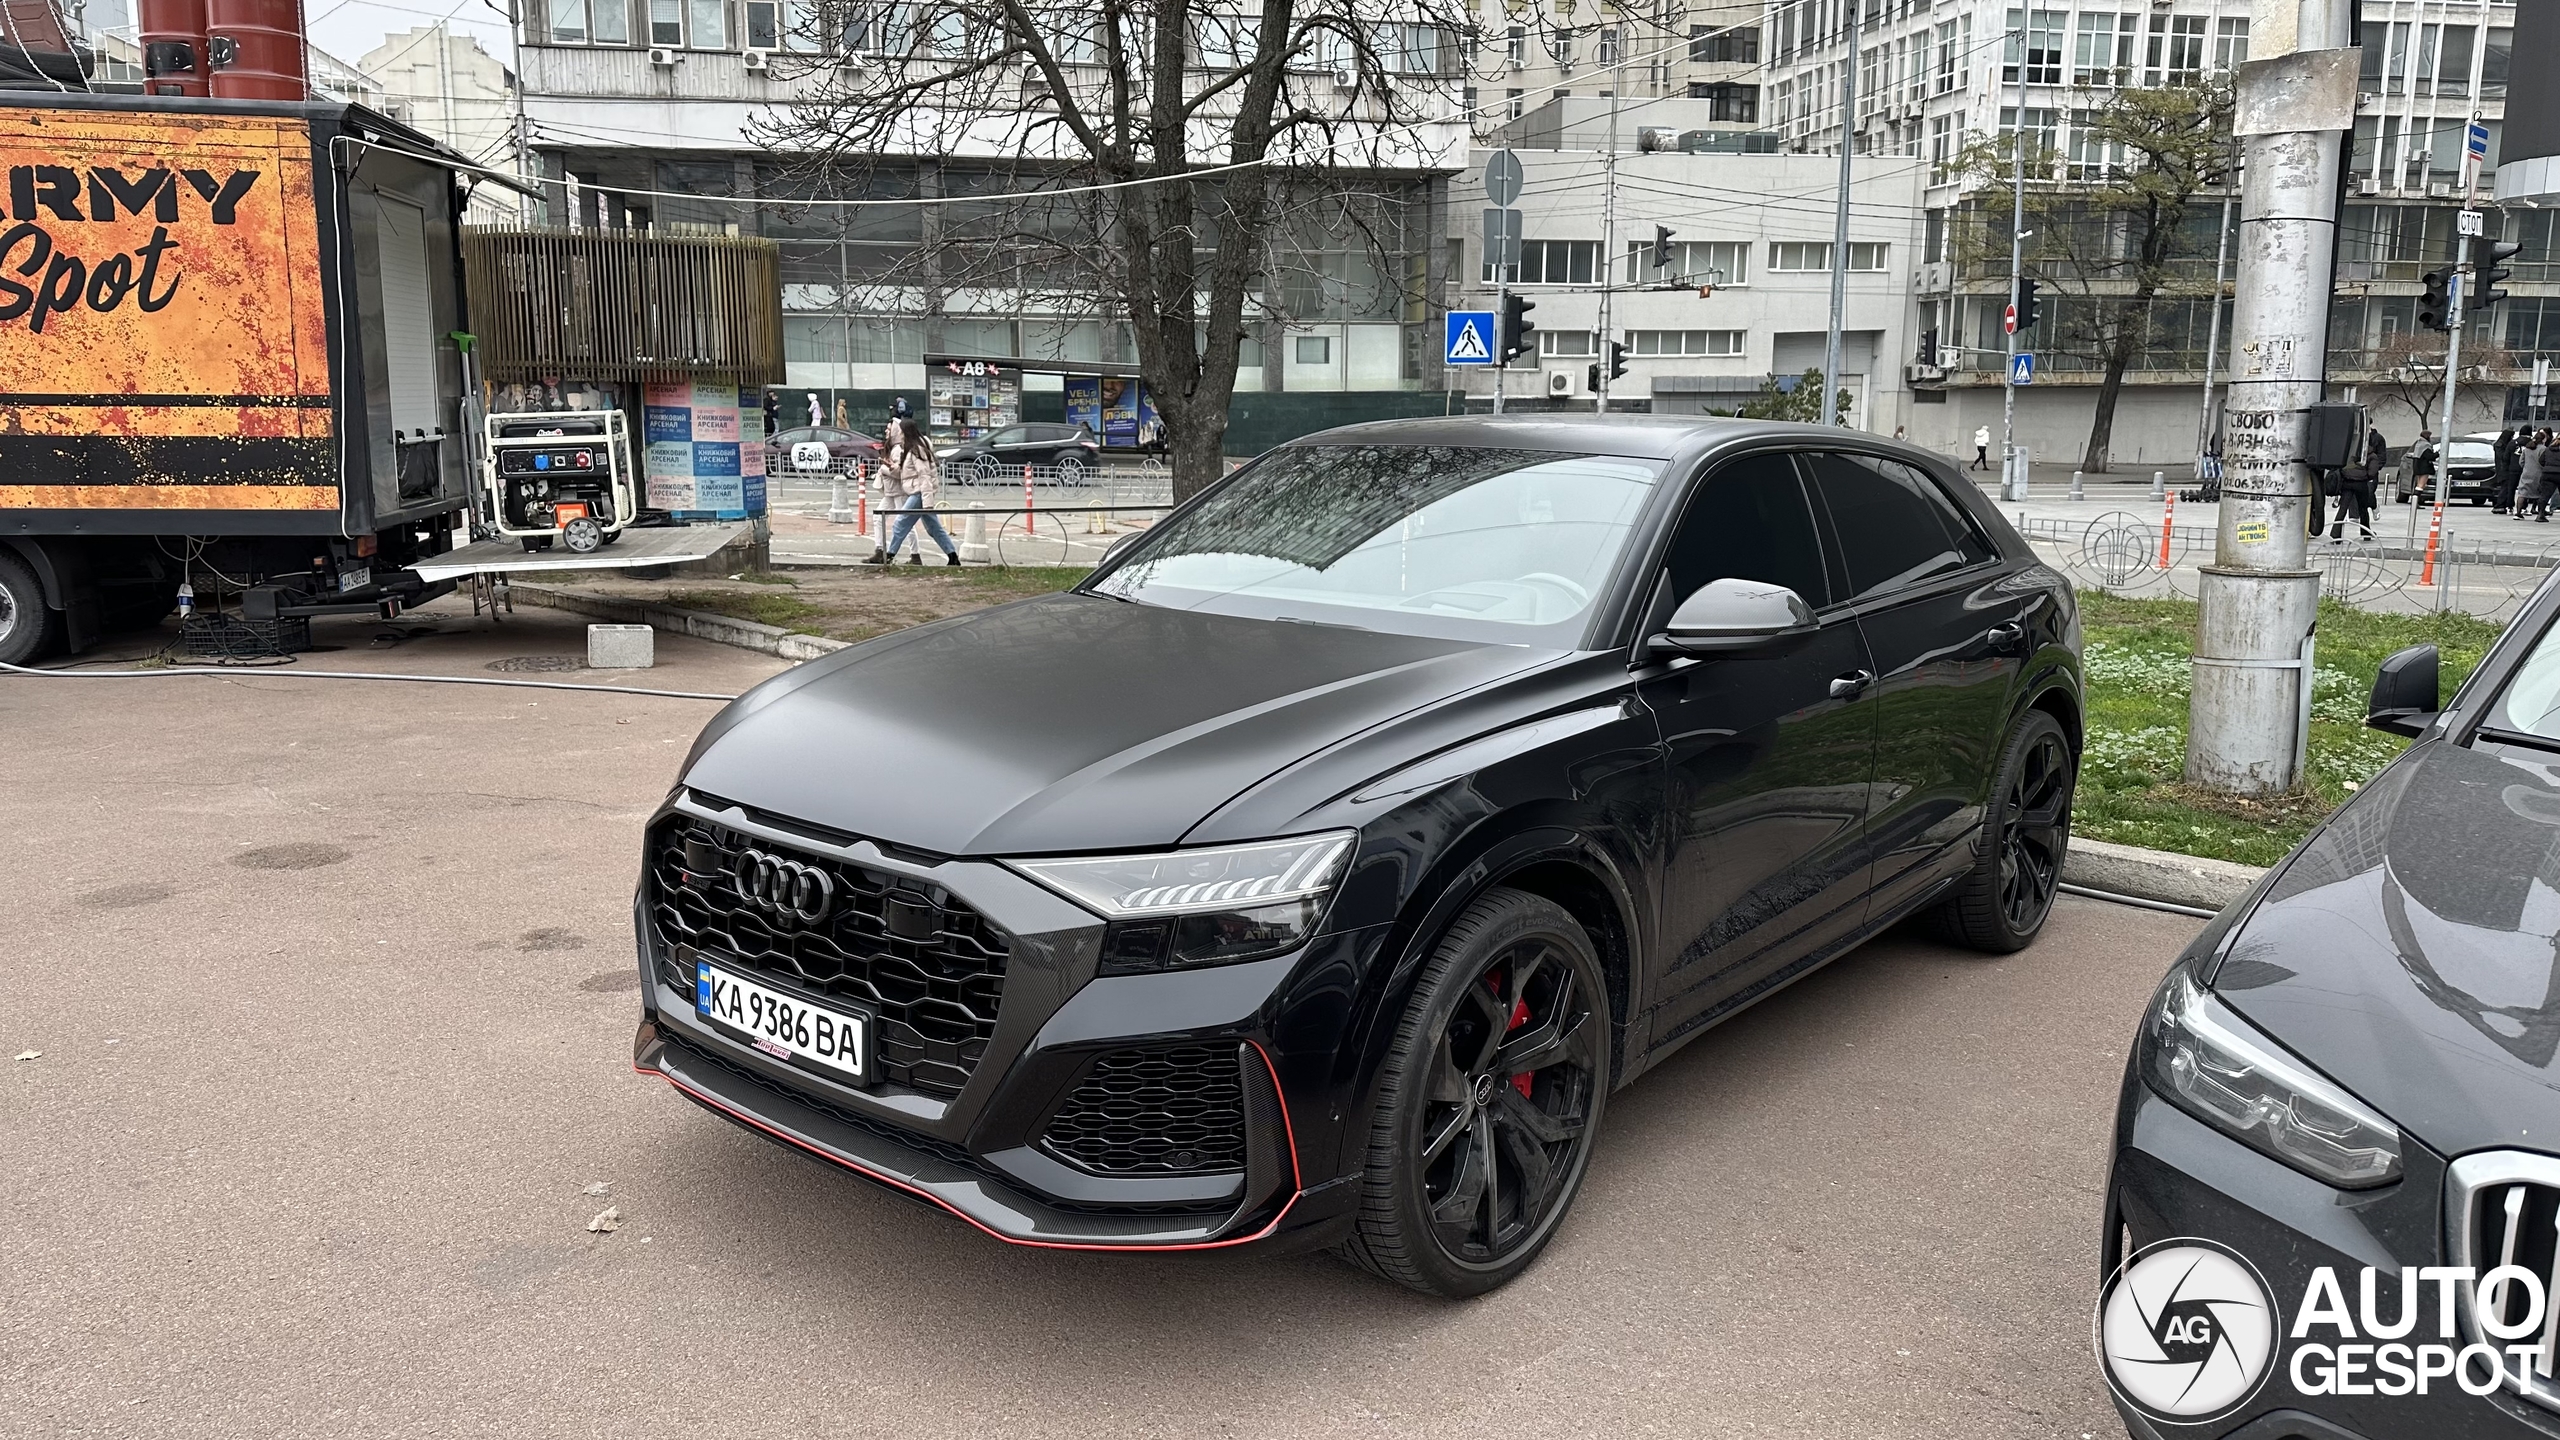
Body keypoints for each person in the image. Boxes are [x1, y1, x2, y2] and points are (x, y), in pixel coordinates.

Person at [864, 417, 961, 566]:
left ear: (906, 432)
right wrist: (892, 467)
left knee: (900, 523)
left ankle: (889, 556)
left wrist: (927, 502)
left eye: (901, 432)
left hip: (919, 493)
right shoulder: (911, 449)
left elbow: (925, 476)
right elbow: (907, 472)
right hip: (918, 493)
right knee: (933, 528)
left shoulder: (917, 450)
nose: (899, 435)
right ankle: (952, 556)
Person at [2327, 451, 2375, 542]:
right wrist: (2365, 476)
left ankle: (2335, 534)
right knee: (2363, 510)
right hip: (2361, 483)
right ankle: (2366, 533)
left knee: (2342, 509)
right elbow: (2372, 472)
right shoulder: (2370, 454)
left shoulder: (2347, 450)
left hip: (2347, 482)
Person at [2519, 430, 2552, 523]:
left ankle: (2518, 513)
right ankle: (2540, 513)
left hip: (2526, 472)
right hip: (2539, 473)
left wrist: (2526, 467)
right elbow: (2545, 461)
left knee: (2522, 493)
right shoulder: (2544, 449)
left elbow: (2521, 462)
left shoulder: (2527, 449)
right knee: (2540, 494)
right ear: (2543, 439)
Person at [2496, 428, 2521, 513]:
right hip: (2503, 469)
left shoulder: (2502, 444)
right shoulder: (2500, 445)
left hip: (2505, 469)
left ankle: (2505, 504)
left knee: (2507, 487)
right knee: (2505, 487)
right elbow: (2503, 457)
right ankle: (2500, 504)